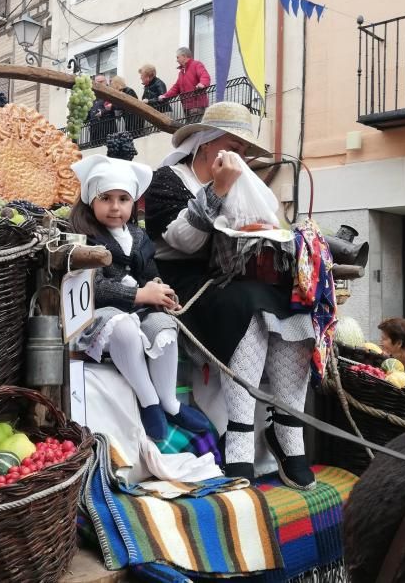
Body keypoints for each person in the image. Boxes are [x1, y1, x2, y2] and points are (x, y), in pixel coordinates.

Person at [143, 101, 317, 490]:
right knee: (249, 304)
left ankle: (287, 429)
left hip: (232, 279)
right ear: (205, 144)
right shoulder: (166, 180)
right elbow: (181, 242)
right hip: (183, 286)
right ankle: (237, 438)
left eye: (243, 149)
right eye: (231, 145)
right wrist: (218, 189)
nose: (238, 155)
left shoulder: (245, 183)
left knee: (296, 309)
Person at [69, 155, 209, 441]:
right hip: (100, 313)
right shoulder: (82, 237)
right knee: (124, 329)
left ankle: (169, 401)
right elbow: (93, 287)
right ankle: (150, 402)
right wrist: (139, 294)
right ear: (91, 201)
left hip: (140, 308)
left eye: (123, 199)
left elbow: (150, 273)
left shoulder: (138, 237)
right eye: (106, 198)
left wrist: (160, 291)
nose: (115, 207)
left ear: (133, 203)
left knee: (164, 328)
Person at [157, 47, 211, 117]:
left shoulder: (196, 64)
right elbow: (176, 88)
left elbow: (205, 76)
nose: (177, 60)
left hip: (196, 105)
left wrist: (202, 84)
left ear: (184, 56)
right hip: (186, 107)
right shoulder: (181, 72)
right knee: (191, 127)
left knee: (192, 127)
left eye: (178, 57)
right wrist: (165, 96)